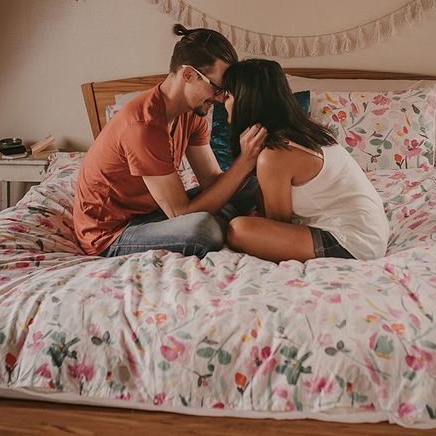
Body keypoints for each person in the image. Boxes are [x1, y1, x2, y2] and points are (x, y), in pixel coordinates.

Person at [73, 24, 268, 258]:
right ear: (188, 75)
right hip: (112, 233)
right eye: (216, 88)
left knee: (251, 184)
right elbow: (180, 213)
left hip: (154, 211)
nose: (219, 98)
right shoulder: (144, 127)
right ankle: (233, 221)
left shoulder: (192, 113)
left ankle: (233, 218)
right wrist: (243, 163)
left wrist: (247, 168)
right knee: (204, 230)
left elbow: (211, 180)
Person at [221, 59, 390, 262]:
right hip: (372, 233)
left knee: (237, 230)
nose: (223, 101)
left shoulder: (274, 155)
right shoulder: (306, 132)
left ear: (246, 100)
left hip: (352, 242)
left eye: (228, 94)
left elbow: (278, 224)